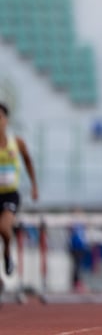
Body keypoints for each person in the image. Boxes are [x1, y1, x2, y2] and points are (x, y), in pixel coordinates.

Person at [0, 102, 39, 282]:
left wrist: (34, 186)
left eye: (0, 117)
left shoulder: (17, 142)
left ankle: (7, 254)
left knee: (4, 229)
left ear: (6, 120)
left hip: (9, 194)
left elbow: (29, 162)